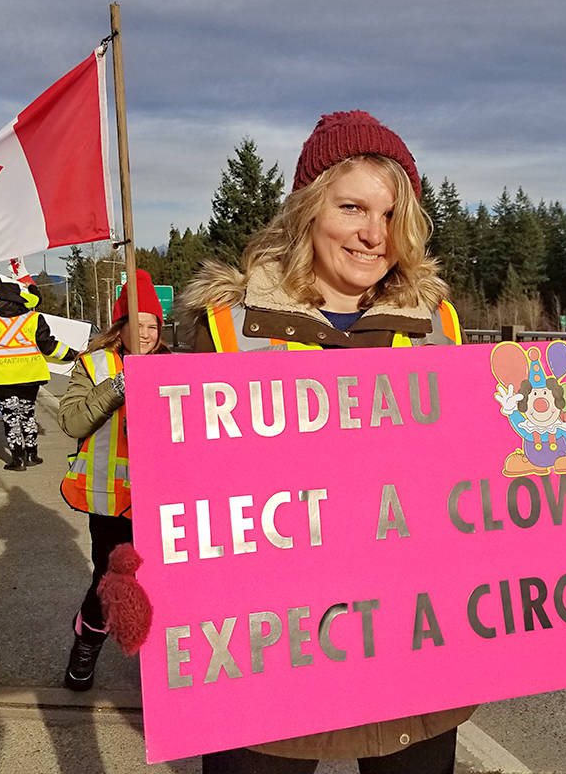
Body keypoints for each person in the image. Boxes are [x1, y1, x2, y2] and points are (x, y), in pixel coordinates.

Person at [181, 110, 466, 774]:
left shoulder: (437, 324)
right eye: (352, 207)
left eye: (393, 214)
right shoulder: (228, 326)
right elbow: (184, 492)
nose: (374, 234)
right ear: (309, 210)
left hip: (410, 651)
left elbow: (483, 478)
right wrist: (139, 575)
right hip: (266, 653)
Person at [57, 268, 170, 692]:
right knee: (111, 582)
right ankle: (86, 644)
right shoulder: (92, 365)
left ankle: (158, 664)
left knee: (160, 581)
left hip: (161, 499)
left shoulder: (171, 366)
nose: (145, 334)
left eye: (152, 325)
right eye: (136, 324)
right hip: (111, 503)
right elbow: (71, 421)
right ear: (119, 325)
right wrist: (119, 385)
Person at [0, 281, 77, 470]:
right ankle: (32, 454)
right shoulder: (34, 319)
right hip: (30, 376)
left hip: (2, 377)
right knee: (28, 414)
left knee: (10, 417)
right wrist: (72, 353)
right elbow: (48, 345)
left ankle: (17, 459)